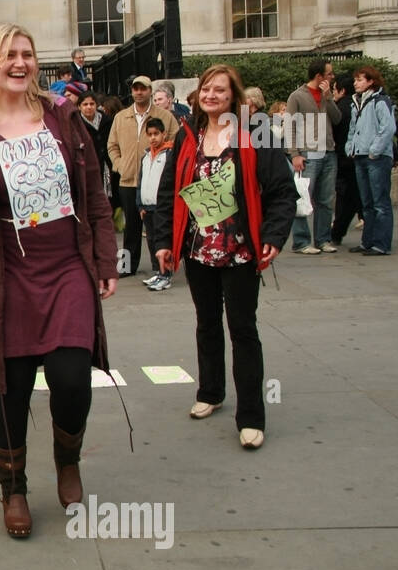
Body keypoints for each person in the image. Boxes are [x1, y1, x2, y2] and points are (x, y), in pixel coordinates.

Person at [0, 23, 119, 540]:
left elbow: (95, 193)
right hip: (6, 272)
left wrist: (106, 261)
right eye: (8, 56)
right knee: (10, 387)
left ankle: (67, 459)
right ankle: (14, 488)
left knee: (71, 377)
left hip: (66, 264)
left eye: (26, 54)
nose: (20, 63)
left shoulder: (64, 118)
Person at [151, 64, 297, 451]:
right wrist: (164, 241)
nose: (212, 95)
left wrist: (274, 236)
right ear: (198, 96)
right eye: (206, 90)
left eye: (220, 90)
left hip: (241, 251)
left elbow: (283, 191)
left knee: (243, 329)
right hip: (199, 249)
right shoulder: (188, 137)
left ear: (234, 95)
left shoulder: (254, 133)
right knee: (207, 324)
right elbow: (169, 193)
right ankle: (210, 391)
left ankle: (251, 417)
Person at [106, 75, 179, 278]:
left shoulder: (164, 116)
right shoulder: (121, 117)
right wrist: (120, 165)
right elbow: (112, 145)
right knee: (131, 227)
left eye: (143, 89)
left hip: (155, 181)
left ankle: (161, 266)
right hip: (128, 179)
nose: (139, 92)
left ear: (150, 91)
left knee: (157, 226)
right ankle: (128, 266)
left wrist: (165, 164)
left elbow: (176, 139)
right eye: (135, 89)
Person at [284, 59, 341, 255]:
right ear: (319, 76)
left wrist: (329, 99)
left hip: (328, 151)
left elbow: (337, 119)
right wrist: (294, 154)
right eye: (330, 74)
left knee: (325, 199)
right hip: (307, 153)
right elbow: (289, 126)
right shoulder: (297, 96)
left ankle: (323, 239)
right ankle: (301, 241)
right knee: (302, 197)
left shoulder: (327, 96)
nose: (332, 77)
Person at [344, 66, 396, 256]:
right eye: (355, 80)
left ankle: (381, 244)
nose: (355, 83)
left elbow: (388, 128)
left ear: (371, 81)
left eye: (359, 80)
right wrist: (350, 147)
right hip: (360, 155)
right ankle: (368, 241)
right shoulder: (356, 103)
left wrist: (374, 150)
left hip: (376, 157)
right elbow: (352, 128)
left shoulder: (380, 101)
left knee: (380, 202)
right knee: (366, 202)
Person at [139, 116, 174, 291]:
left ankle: (166, 275)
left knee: (163, 240)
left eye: (156, 134)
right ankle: (157, 271)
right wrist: (140, 204)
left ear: (164, 134)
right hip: (148, 206)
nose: (153, 137)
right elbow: (141, 181)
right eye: (150, 134)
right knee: (151, 240)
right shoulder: (145, 157)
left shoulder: (169, 154)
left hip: (162, 206)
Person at [329, 74, 361, 246]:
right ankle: (338, 231)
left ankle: (337, 232)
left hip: (343, 157)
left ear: (341, 90)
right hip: (357, 156)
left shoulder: (339, 107)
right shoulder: (358, 105)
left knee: (346, 197)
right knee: (355, 196)